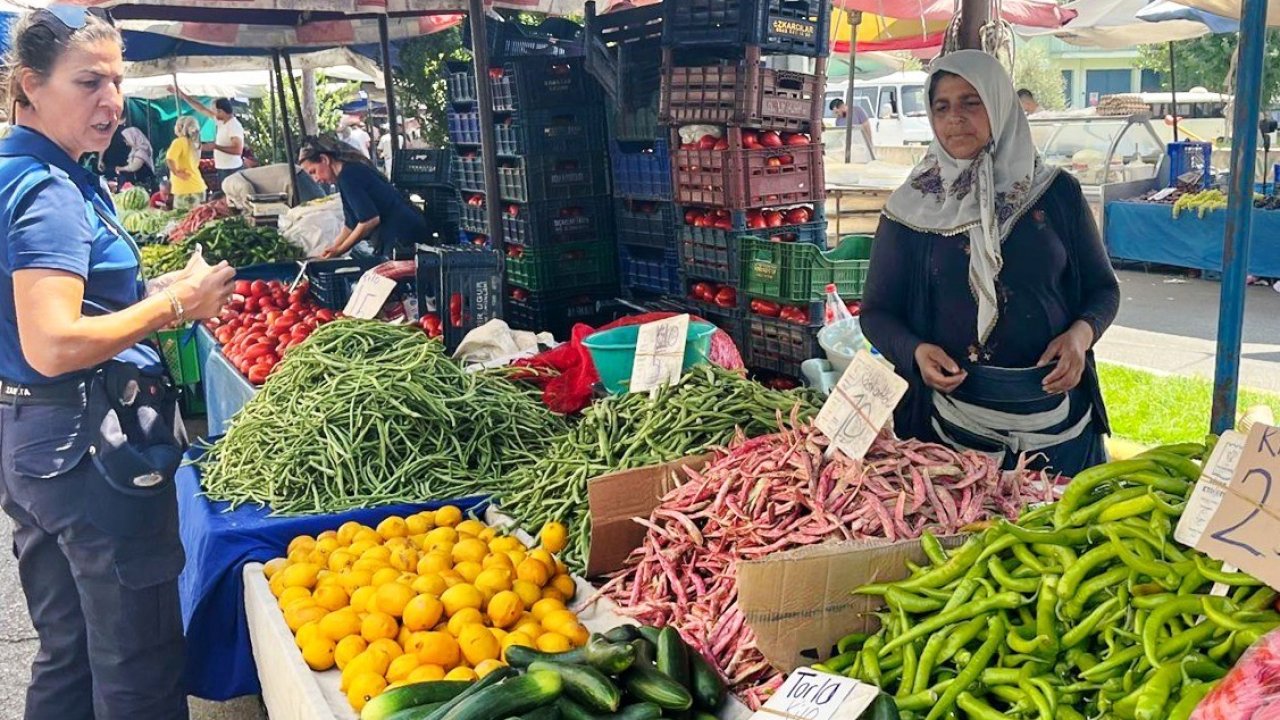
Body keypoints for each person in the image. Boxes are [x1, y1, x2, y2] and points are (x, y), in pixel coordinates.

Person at [0, 6, 236, 719]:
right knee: (138, 665)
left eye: (117, 80)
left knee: (68, 653)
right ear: (29, 85)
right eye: (88, 82)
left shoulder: (27, 170)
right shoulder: (49, 193)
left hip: (34, 441)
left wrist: (141, 293)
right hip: (90, 452)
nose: (112, 101)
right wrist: (176, 307)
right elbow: (55, 341)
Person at [860, 50, 1120, 478]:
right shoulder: (912, 207)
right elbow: (876, 313)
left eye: (970, 102)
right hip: (951, 424)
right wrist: (915, 351)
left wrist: (1080, 336)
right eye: (941, 107)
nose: (954, 118)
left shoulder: (1056, 193)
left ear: (999, 104)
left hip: (1055, 418)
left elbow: (1103, 289)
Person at [297, 134, 427, 260]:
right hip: (397, 236)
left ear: (324, 159)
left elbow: (369, 220)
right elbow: (350, 224)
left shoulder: (349, 176)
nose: (316, 179)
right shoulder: (345, 176)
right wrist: (333, 248)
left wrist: (340, 250)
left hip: (403, 238)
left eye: (313, 172)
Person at [169, 86, 243, 182]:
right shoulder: (221, 121)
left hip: (231, 169)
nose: (212, 112)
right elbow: (201, 109)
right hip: (223, 168)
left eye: (214, 110)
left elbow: (237, 150)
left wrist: (215, 147)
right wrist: (182, 95)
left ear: (220, 111)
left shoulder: (233, 126)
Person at [166, 114, 206, 210]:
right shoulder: (195, 142)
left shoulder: (179, 142)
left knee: (184, 221)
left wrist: (176, 172)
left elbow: (169, 159)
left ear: (180, 127)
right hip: (198, 187)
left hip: (184, 189)